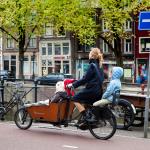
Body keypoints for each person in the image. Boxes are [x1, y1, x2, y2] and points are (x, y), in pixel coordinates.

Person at [67, 47, 104, 123]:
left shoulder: (92, 65)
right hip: (99, 91)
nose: (88, 54)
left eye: (89, 53)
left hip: (92, 90)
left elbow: (85, 79)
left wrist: (73, 85)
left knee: (74, 98)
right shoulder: (100, 66)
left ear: (92, 55)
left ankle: (86, 117)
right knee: (86, 103)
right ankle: (84, 121)